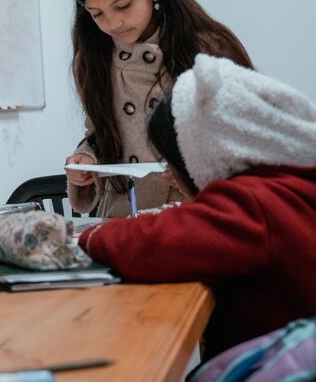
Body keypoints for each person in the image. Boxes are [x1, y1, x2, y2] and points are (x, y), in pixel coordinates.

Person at [79, 54, 316, 357]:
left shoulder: (254, 202)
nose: (170, 176)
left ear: (205, 152)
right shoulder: (293, 185)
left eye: (172, 164)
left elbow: (154, 243)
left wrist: (89, 237)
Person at [65, 0, 252, 217]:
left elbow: (248, 134)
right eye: (96, 14)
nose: (113, 23)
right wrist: (85, 159)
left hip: (201, 214)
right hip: (126, 217)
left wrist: (195, 173)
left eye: (123, 5)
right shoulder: (93, 59)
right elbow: (99, 132)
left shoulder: (208, 48)